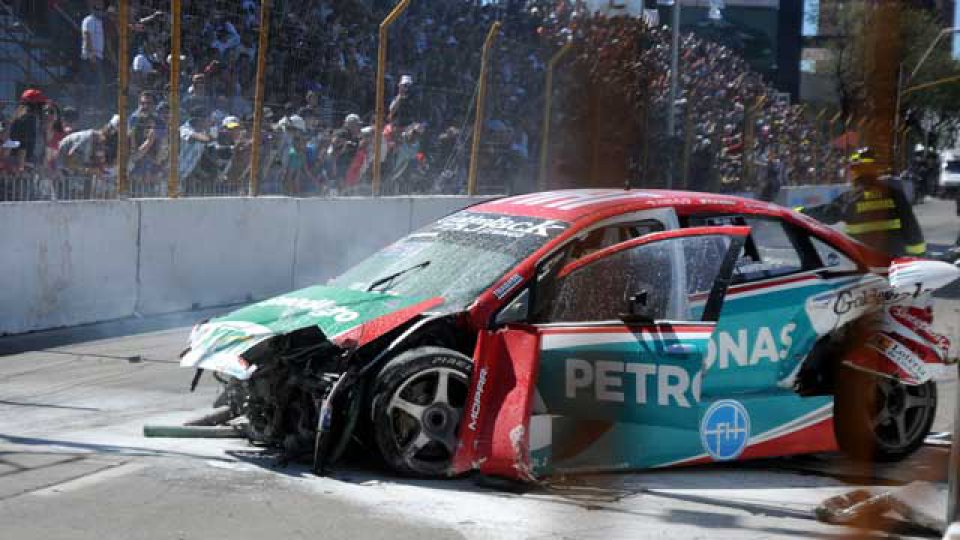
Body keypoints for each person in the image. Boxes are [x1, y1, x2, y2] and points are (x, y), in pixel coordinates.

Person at [799, 148, 925, 257]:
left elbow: (825, 214)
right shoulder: (895, 195)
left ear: (855, 172)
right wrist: (917, 256)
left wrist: (799, 212)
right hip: (894, 261)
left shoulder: (849, 199)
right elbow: (911, 227)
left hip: (863, 262)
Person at [9, 88, 48, 169]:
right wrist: (21, 168)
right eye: (40, 104)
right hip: (21, 163)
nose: (43, 106)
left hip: (18, 161)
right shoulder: (28, 119)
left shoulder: (19, 115)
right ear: (34, 104)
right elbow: (23, 145)